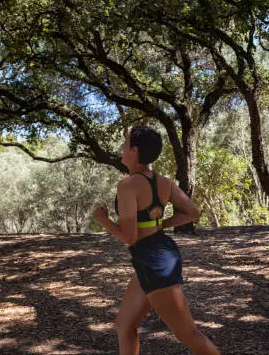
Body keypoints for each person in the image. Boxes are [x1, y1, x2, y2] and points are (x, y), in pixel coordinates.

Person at [93, 126, 220, 355]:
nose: (122, 148)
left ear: (134, 150)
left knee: (187, 334)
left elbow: (129, 237)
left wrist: (102, 220)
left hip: (153, 261)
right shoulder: (165, 182)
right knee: (124, 325)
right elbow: (192, 212)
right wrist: (162, 224)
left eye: (125, 144)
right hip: (156, 253)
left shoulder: (128, 185)